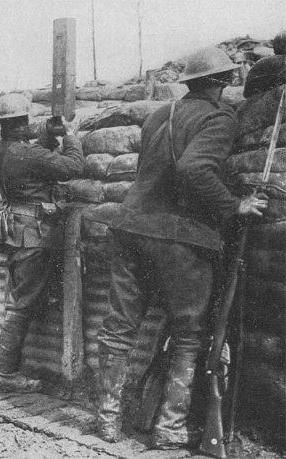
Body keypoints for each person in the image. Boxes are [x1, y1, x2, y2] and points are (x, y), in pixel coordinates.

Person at [95, 47, 268, 448]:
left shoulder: (159, 114)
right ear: (223, 83)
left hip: (131, 227)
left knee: (120, 327)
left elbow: (148, 173)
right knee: (189, 334)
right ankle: (169, 428)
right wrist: (233, 205)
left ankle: (106, 423)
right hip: (181, 238)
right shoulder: (219, 117)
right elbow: (193, 168)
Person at [0, 94, 84, 393]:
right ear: (22, 122)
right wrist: (71, 136)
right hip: (33, 234)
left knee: (20, 296)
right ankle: (4, 372)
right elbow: (72, 167)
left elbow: (32, 156)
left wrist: (45, 135)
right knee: (24, 302)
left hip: (14, 232)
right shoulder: (25, 155)